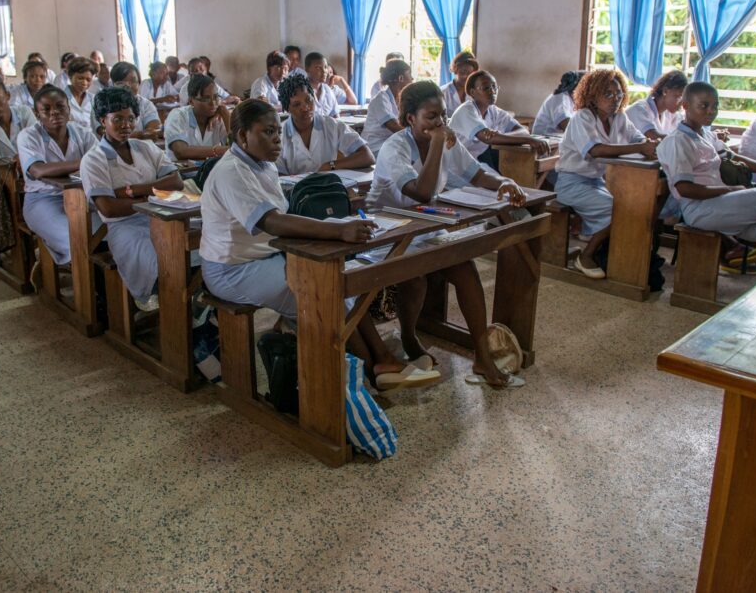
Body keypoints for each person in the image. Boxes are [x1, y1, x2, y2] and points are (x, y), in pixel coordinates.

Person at [200, 100, 437, 390]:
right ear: (242, 137)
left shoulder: (264, 166)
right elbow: (272, 222)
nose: (277, 138)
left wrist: (338, 226)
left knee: (335, 283)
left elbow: (283, 217)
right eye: (268, 132)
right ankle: (369, 369)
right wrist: (336, 232)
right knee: (319, 295)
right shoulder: (232, 171)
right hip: (232, 268)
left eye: (277, 131)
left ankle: (379, 363)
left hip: (269, 256)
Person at [366, 81, 528, 388]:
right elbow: (423, 193)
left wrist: (504, 182)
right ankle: (410, 336)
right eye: (431, 117)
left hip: (421, 229)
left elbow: (477, 172)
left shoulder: (446, 139)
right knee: (414, 274)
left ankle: (482, 357)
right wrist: (439, 142)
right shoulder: (395, 148)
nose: (440, 123)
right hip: (383, 234)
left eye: (442, 115)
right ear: (410, 118)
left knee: (465, 268)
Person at [658, 81, 756, 266]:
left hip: (721, 205)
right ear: (686, 106)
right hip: (699, 209)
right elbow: (685, 189)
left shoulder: (707, 135)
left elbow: (734, 157)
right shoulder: (678, 142)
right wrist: (727, 190)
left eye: (715, 106)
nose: (711, 111)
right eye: (704, 106)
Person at [80, 88, 183, 312]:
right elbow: (108, 208)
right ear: (102, 121)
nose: (126, 125)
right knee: (163, 260)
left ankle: (190, 306)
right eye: (117, 119)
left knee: (193, 248)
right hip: (124, 226)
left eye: (130, 118)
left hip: (162, 217)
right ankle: (166, 304)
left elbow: (175, 182)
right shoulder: (94, 159)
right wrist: (154, 195)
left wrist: (133, 191)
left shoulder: (145, 147)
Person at [554, 69, 658, 279]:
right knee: (618, 210)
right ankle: (586, 255)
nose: (615, 99)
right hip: (572, 184)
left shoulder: (619, 118)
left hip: (599, 182)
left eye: (618, 94)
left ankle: (622, 259)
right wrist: (639, 149)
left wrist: (649, 145)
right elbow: (595, 150)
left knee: (634, 206)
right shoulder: (582, 117)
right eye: (608, 94)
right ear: (592, 96)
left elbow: (637, 139)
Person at [16, 85, 98, 268]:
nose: (54, 113)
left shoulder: (82, 133)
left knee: (106, 233)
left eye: (60, 106)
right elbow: (37, 170)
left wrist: (89, 162)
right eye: (46, 109)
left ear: (69, 108)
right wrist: (84, 162)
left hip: (82, 196)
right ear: (37, 115)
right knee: (75, 239)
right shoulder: (28, 136)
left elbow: (100, 163)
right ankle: (91, 291)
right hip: (42, 199)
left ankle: (102, 285)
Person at [450, 69, 550, 171]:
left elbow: (523, 130)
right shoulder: (466, 110)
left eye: (494, 87)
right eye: (486, 88)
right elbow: (487, 138)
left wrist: (499, 137)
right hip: (458, 165)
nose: (492, 91)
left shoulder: (494, 111)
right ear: (472, 92)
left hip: (477, 161)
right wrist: (529, 140)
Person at [276, 74, 373, 175]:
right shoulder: (279, 135)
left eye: (309, 100)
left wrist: (331, 165)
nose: (305, 108)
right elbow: (277, 174)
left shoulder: (332, 125)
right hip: (295, 189)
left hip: (329, 187)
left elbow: (367, 156)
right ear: (287, 109)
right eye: (297, 104)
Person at [164, 75, 229, 162]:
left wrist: (226, 116)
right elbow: (181, 151)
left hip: (211, 173)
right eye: (206, 98)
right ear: (191, 101)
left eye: (216, 97)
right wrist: (219, 150)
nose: (213, 103)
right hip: (184, 174)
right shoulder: (178, 115)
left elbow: (236, 150)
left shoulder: (219, 118)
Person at [361, 59, 412, 158]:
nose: (412, 78)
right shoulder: (381, 99)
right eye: (409, 74)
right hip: (375, 148)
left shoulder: (404, 99)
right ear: (401, 78)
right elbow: (395, 127)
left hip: (390, 145)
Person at [624, 70, 688, 141]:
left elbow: (685, 130)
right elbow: (654, 137)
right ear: (665, 91)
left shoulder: (670, 114)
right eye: (679, 96)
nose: (682, 103)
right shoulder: (639, 110)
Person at [109, 61, 161, 140]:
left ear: (139, 83)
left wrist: (124, 136)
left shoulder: (146, 104)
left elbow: (154, 132)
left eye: (133, 81)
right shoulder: (104, 104)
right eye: (122, 82)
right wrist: (142, 134)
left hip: (141, 149)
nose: (128, 85)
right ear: (113, 84)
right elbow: (106, 134)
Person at [532, 70, 585, 137]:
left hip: (555, 139)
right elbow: (567, 126)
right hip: (544, 141)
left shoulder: (573, 100)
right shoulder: (560, 98)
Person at [63, 57, 99, 129]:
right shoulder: (61, 98)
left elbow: (97, 124)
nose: (84, 82)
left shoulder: (93, 99)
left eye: (88, 80)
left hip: (91, 139)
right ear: (70, 76)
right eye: (80, 78)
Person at [304, 52, 340, 119]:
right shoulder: (301, 91)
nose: (324, 71)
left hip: (328, 128)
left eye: (325, 67)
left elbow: (336, 116)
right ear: (307, 69)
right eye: (318, 68)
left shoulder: (328, 90)